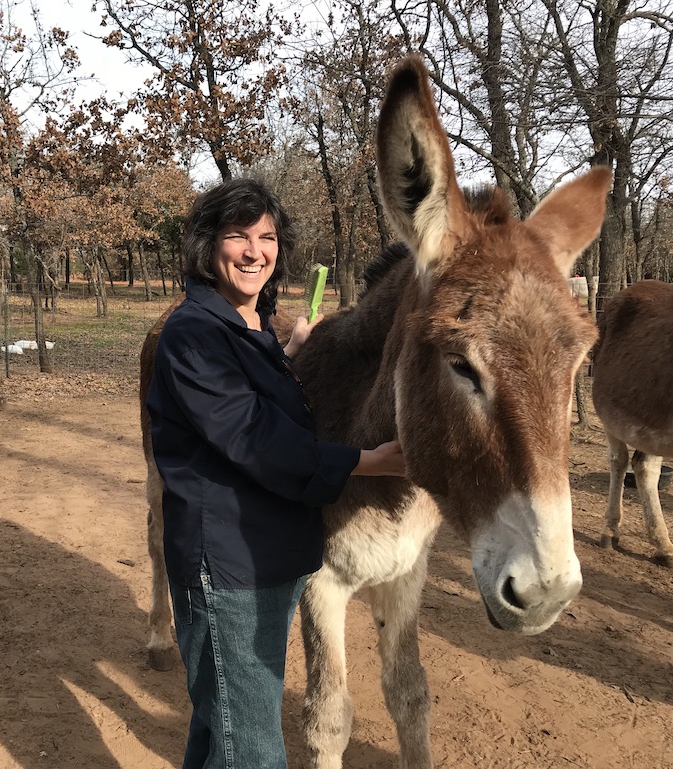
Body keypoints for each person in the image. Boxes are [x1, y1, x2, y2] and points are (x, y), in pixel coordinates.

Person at [146, 178, 406, 769]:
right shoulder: (194, 334)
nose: (253, 250)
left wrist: (285, 354)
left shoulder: (245, 329)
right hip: (229, 566)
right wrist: (372, 462)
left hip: (264, 558)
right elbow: (257, 441)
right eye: (237, 235)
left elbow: (249, 405)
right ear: (208, 245)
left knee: (223, 727)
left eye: (266, 237)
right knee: (254, 748)